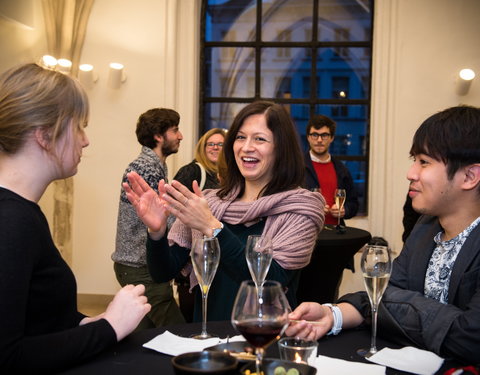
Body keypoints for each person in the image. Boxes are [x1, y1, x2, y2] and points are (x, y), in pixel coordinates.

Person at [286, 106, 480, 364]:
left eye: (424, 162)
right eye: (415, 161)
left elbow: (470, 337)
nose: (411, 173)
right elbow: (382, 293)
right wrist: (332, 314)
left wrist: (394, 301)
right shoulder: (425, 228)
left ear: (469, 176)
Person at [0, 63, 151, 373]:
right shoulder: (10, 221)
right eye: (78, 126)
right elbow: (8, 357)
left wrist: (90, 322)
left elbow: (38, 321)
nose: (85, 140)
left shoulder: (22, 212)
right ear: (44, 134)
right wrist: (109, 326)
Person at [123, 101, 325, 321]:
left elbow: (270, 281)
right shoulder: (210, 201)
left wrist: (212, 227)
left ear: (281, 148)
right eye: (240, 137)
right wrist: (157, 232)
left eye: (259, 139)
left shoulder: (300, 208)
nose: (246, 147)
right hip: (209, 336)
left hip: (264, 337)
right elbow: (163, 272)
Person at [111, 108, 185, 329]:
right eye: (175, 130)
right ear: (158, 136)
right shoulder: (145, 167)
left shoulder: (155, 165)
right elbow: (160, 219)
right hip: (141, 266)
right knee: (178, 331)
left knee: (143, 336)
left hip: (135, 264)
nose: (180, 136)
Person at [172, 127, 227, 322]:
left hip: (219, 258)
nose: (215, 148)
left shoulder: (230, 175)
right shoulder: (192, 171)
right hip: (192, 259)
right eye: (210, 144)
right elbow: (175, 210)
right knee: (192, 317)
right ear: (202, 148)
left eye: (220, 144)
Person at [304, 114, 359, 226]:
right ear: (308, 137)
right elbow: (286, 203)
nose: (319, 140)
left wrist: (345, 210)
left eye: (324, 135)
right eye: (315, 135)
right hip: (306, 233)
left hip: (335, 234)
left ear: (332, 138)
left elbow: (354, 204)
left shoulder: (342, 169)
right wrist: (309, 209)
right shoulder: (297, 168)